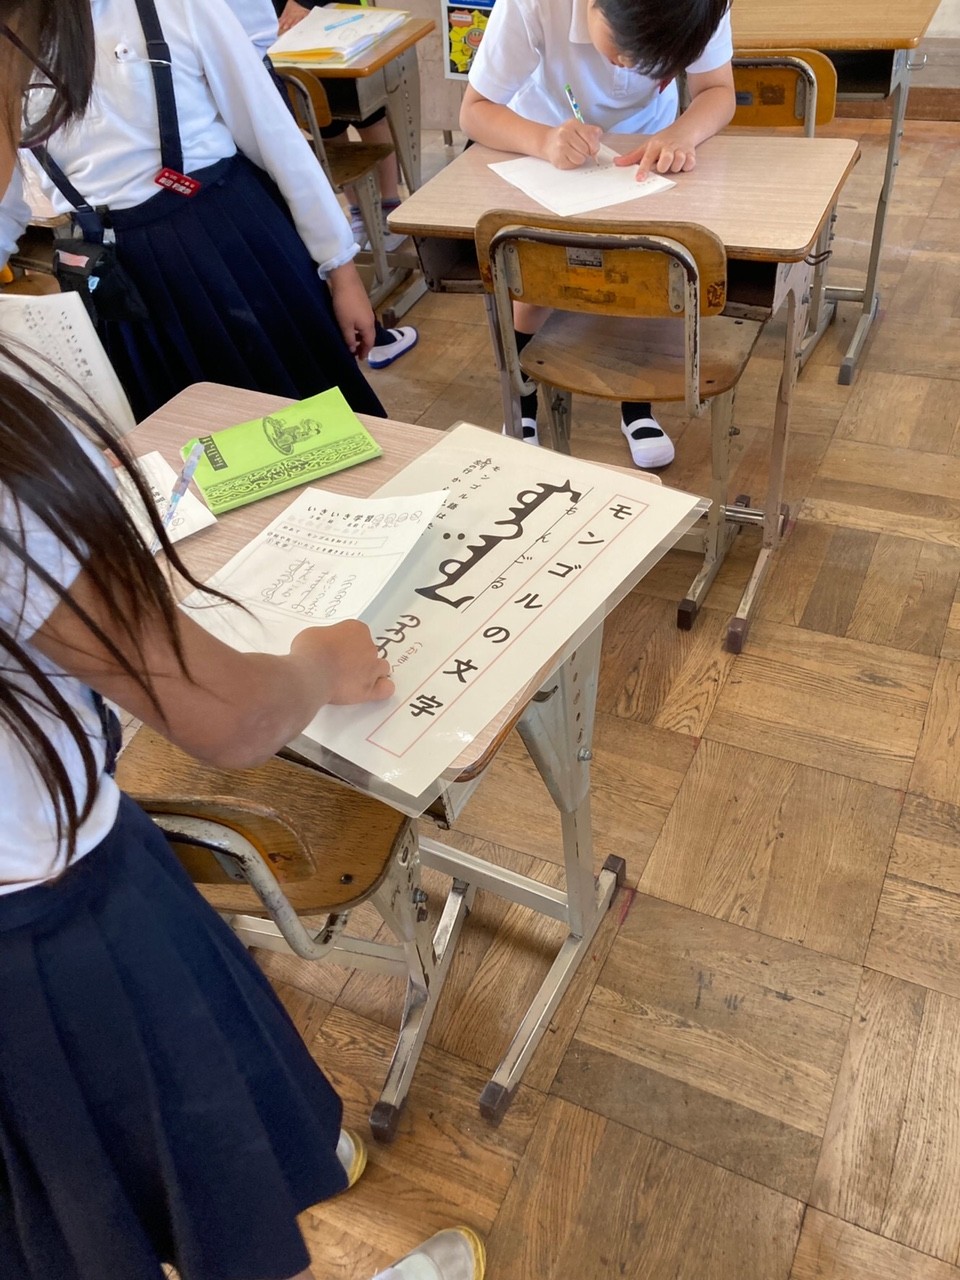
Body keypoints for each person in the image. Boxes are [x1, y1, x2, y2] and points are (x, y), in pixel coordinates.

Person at [0, 5, 484, 1279]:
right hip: (48, 915)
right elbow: (216, 714)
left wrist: (338, 261)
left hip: (222, 249)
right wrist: (315, 664)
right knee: (192, 1169)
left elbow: (267, 128)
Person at [0, 0, 393, 423]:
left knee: (308, 420)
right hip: (117, 277)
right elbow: (4, 207)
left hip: (231, 245)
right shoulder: (9, 43)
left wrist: (342, 271)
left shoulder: (176, 6)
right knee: (186, 439)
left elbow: (273, 136)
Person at [460, 0, 735, 468]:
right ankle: (521, 402)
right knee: (537, 280)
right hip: (546, 144)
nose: (628, 68)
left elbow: (718, 90)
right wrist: (544, 140)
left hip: (648, 152)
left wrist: (683, 133)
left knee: (645, 278)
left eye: (653, 67)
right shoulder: (534, 6)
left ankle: (637, 404)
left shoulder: (698, 6)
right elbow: (475, 111)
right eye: (621, 52)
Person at [268, 0, 418, 370]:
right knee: (328, 127)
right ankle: (358, 213)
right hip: (293, 49)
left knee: (371, 119)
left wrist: (304, 5)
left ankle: (388, 204)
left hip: (342, 26)